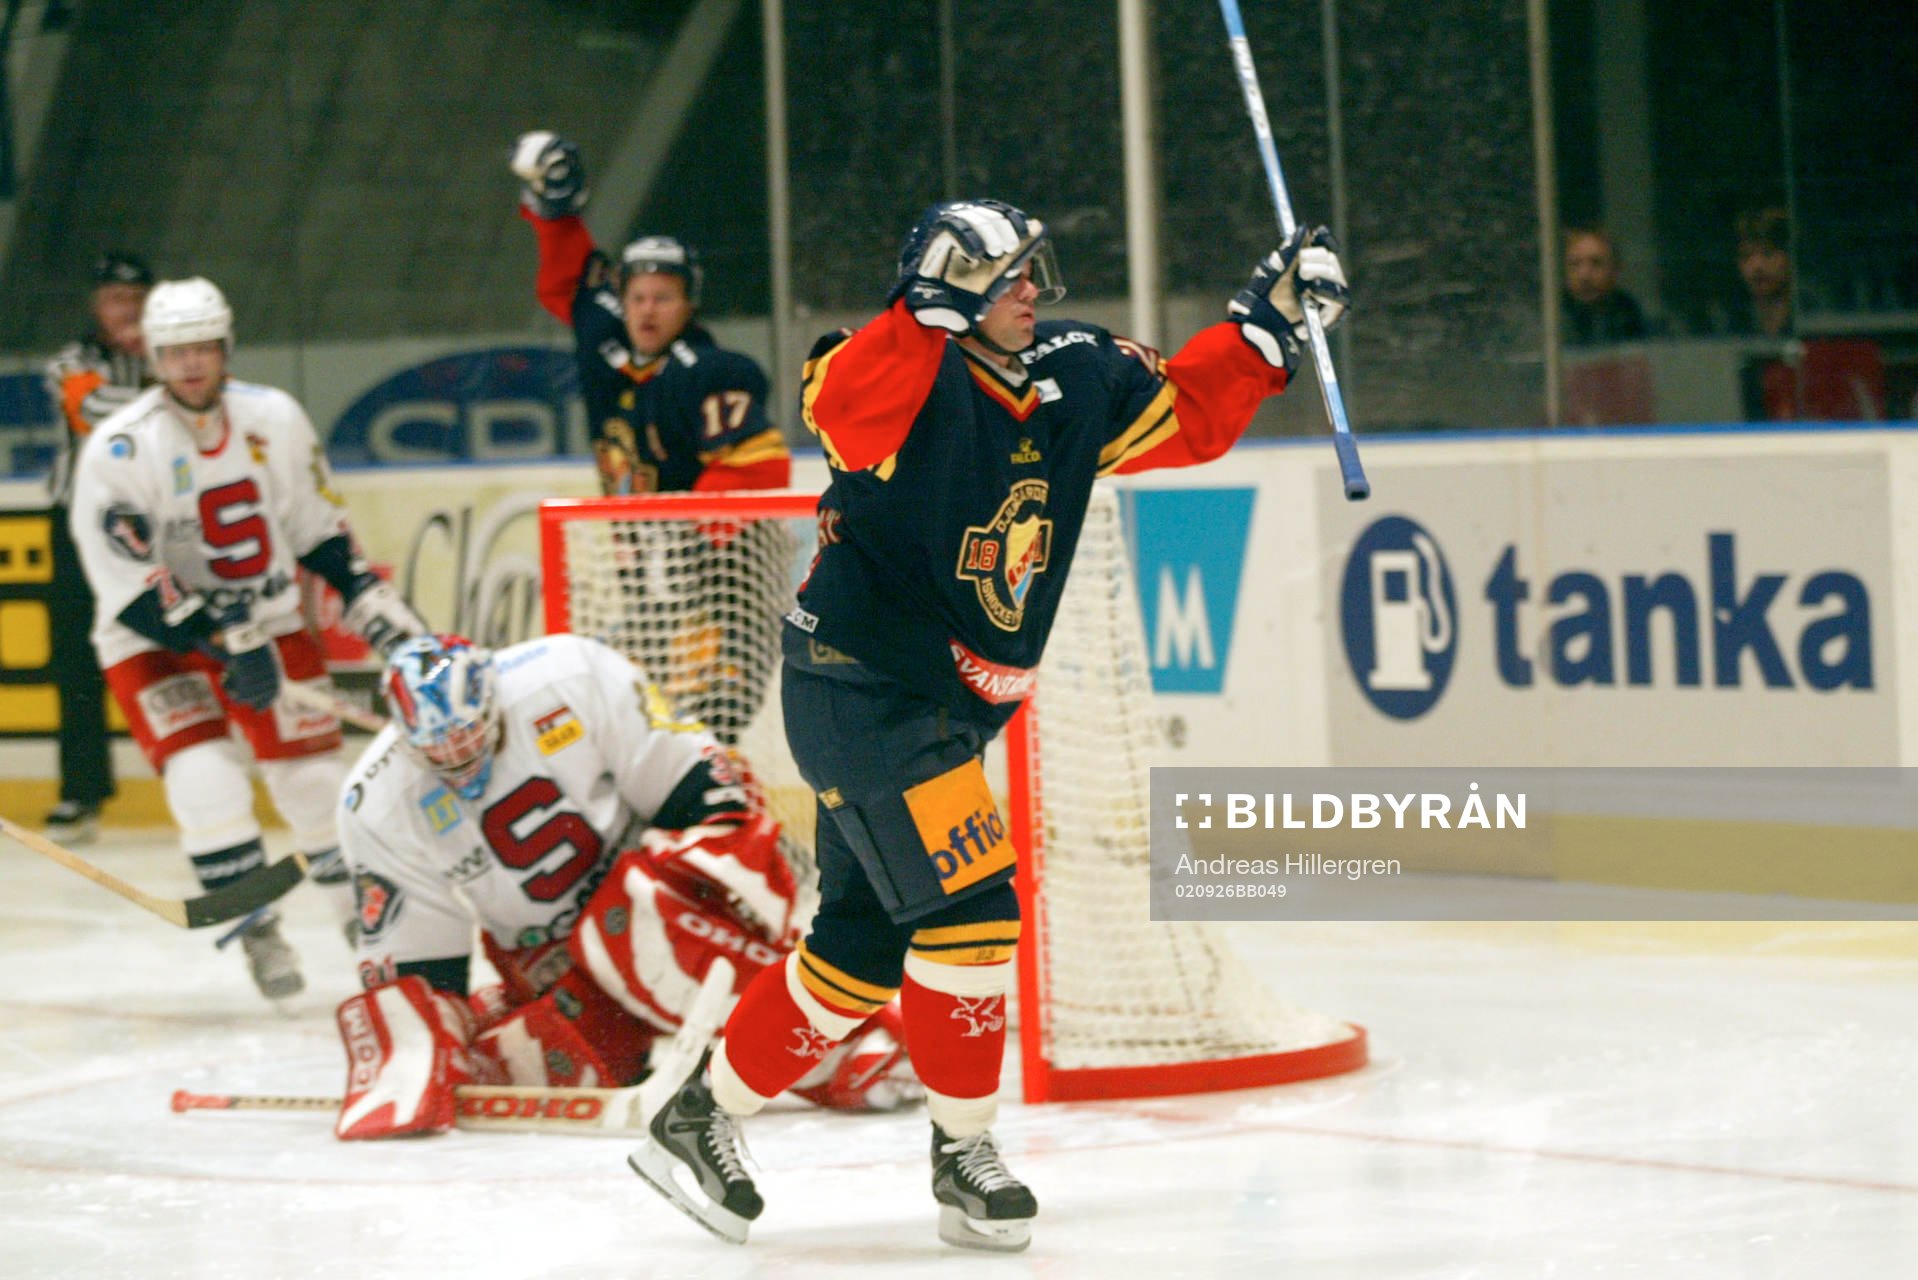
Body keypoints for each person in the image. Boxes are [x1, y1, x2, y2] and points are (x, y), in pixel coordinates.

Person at [628, 199, 1350, 1251]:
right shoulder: (888, 369)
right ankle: (964, 1150)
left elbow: (1191, 407)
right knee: (975, 905)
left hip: (944, 709)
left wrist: (1270, 317)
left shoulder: (1075, 371)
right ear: (947, 283)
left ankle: (696, 1117)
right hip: (859, 683)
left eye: (1030, 272)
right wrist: (925, 305)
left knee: (859, 953)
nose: (1032, 290)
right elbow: (843, 410)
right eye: (1006, 273)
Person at [330, 632, 917, 1141]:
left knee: (639, 925)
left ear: (491, 699)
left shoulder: (567, 675)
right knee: (531, 1065)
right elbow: (419, 965)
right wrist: (416, 1047)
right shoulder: (376, 802)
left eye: (467, 735)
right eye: (435, 747)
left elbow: (703, 784)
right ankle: (517, 1012)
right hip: (552, 959)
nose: (456, 757)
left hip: (664, 900)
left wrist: (728, 884)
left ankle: (847, 1042)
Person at [66, 277, 427, 1000]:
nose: (191, 364)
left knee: (315, 785)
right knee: (206, 782)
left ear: (226, 347)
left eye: (204, 347)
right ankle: (256, 927)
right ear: (153, 356)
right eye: (175, 351)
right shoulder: (119, 447)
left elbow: (315, 531)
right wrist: (220, 640)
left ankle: (363, 928)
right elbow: (133, 582)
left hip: (267, 623)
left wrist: (369, 600)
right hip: (151, 642)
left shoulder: (276, 418)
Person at [509, 131, 793, 747]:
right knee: (641, 719)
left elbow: (760, 469)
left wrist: (685, 538)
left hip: (723, 574)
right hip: (642, 567)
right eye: (637, 296)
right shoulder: (607, 341)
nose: (646, 310)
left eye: (664, 297)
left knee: (714, 719)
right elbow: (567, 286)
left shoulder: (712, 371)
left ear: (689, 305)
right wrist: (556, 211)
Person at [39, 251, 154, 843]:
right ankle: (82, 793)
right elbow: (90, 413)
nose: (126, 311)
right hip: (77, 526)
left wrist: (165, 372)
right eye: (114, 300)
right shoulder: (71, 363)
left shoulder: (175, 360)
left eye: (135, 300)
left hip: (152, 523)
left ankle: (197, 774)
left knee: (172, 648)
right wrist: (167, 395)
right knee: (78, 661)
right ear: (96, 305)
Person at [1561, 226, 1650, 347]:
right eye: (1575, 264)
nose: (1584, 275)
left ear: (1615, 270)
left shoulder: (1632, 316)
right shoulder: (1551, 318)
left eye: (1596, 263)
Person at [1728, 206, 1793, 338]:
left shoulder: (1812, 310)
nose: (1757, 266)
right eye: (1746, 256)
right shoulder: (1731, 321)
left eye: (1767, 254)